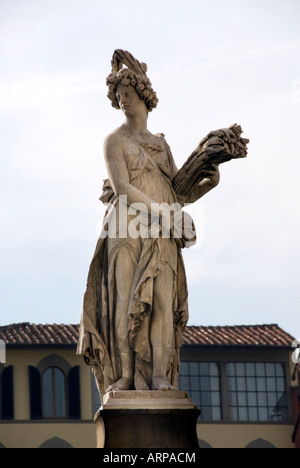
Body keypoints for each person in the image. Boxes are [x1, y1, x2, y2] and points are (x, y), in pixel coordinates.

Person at [77, 50, 220, 398]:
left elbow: (178, 193)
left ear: (144, 95)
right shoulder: (114, 141)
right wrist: (165, 213)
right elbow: (123, 189)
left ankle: (159, 377)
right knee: (125, 302)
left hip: (161, 232)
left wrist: (208, 185)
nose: (123, 101)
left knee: (161, 302)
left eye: (128, 95)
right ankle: (125, 376)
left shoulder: (161, 145)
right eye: (119, 97)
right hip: (126, 228)